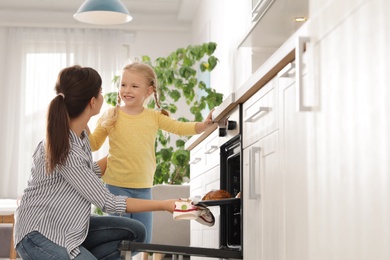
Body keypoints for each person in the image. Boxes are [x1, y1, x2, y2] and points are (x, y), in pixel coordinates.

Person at [14, 65, 177, 260]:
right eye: (100, 92)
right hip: (39, 234)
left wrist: (127, 153)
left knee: (136, 233)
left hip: (70, 227)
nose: (105, 95)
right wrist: (165, 204)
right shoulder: (67, 148)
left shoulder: (81, 137)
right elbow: (108, 202)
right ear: (92, 102)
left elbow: (89, 172)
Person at [87, 62, 214, 245]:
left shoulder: (153, 117)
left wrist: (204, 125)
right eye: (123, 84)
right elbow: (93, 144)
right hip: (116, 187)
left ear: (148, 91)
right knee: (118, 241)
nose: (127, 90)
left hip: (143, 187)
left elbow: (178, 127)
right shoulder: (111, 114)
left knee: (142, 240)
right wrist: (82, 121)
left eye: (134, 86)